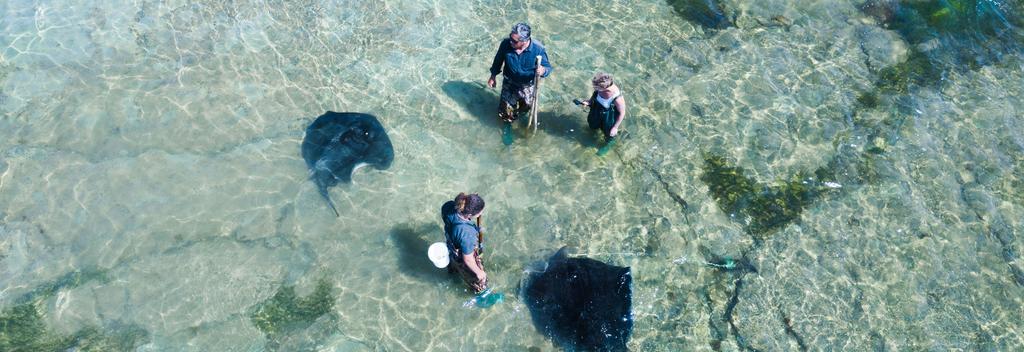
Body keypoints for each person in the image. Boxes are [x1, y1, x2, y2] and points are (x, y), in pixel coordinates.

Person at [487, 22, 553, 125]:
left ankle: (516, 116)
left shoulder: (538, 49)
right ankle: (507, 122)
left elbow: (548, 67)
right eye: (510, 38)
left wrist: (543, 70)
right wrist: (493, 76)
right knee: (505, 109)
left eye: (514, 41)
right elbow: (498, 60)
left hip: (527, 84)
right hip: (509, 81)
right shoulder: (506, 44)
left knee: (526, 106)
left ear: (524, 41)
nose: (511, 42)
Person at [441, 193, 488, 294]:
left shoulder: (448, 206)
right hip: (463, 254)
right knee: (481, 283)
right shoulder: (467, 235)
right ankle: (480, 294)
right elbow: (468, 260)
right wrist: (479, 273)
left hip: (452, 246)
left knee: (454, 266)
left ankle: (452, 271)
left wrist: (474, 228)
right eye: (480, 212)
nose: (481, 214)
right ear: (470, 215)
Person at [577, 73, 626, 155]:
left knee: (609, 132)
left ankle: (609, 143)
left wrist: (615, 127)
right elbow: (595, 95)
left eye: (596, 87)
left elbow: (622, 112)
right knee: (592, 124)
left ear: (604, 87)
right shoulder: (599, 88)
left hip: (608, 115)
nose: (594, 88)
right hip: (596, 109)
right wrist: (589, 102)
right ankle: (593, 135)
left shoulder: (617, 97)